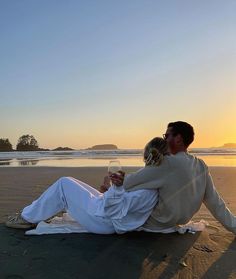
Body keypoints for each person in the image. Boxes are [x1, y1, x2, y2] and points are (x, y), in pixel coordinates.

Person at [5, 137, 168, 234]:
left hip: (104, 222)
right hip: (112, 218)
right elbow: (127, 204)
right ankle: (32, 212)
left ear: (147, 155)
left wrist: (115, 188)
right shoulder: (151, 180)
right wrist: (109, 190)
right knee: (72, 182)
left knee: (64, 184)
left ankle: (26, 218)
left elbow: (112, 210)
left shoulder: (147, 187)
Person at [112, 121, 236, 234]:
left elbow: (130, 182)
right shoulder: (201, 165)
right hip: (179, 222)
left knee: (129, 194)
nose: (164, 140)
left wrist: (114, 180)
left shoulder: (168, 163)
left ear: (178, 138)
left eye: (166, 136)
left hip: (156, 223)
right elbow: (215, 202)